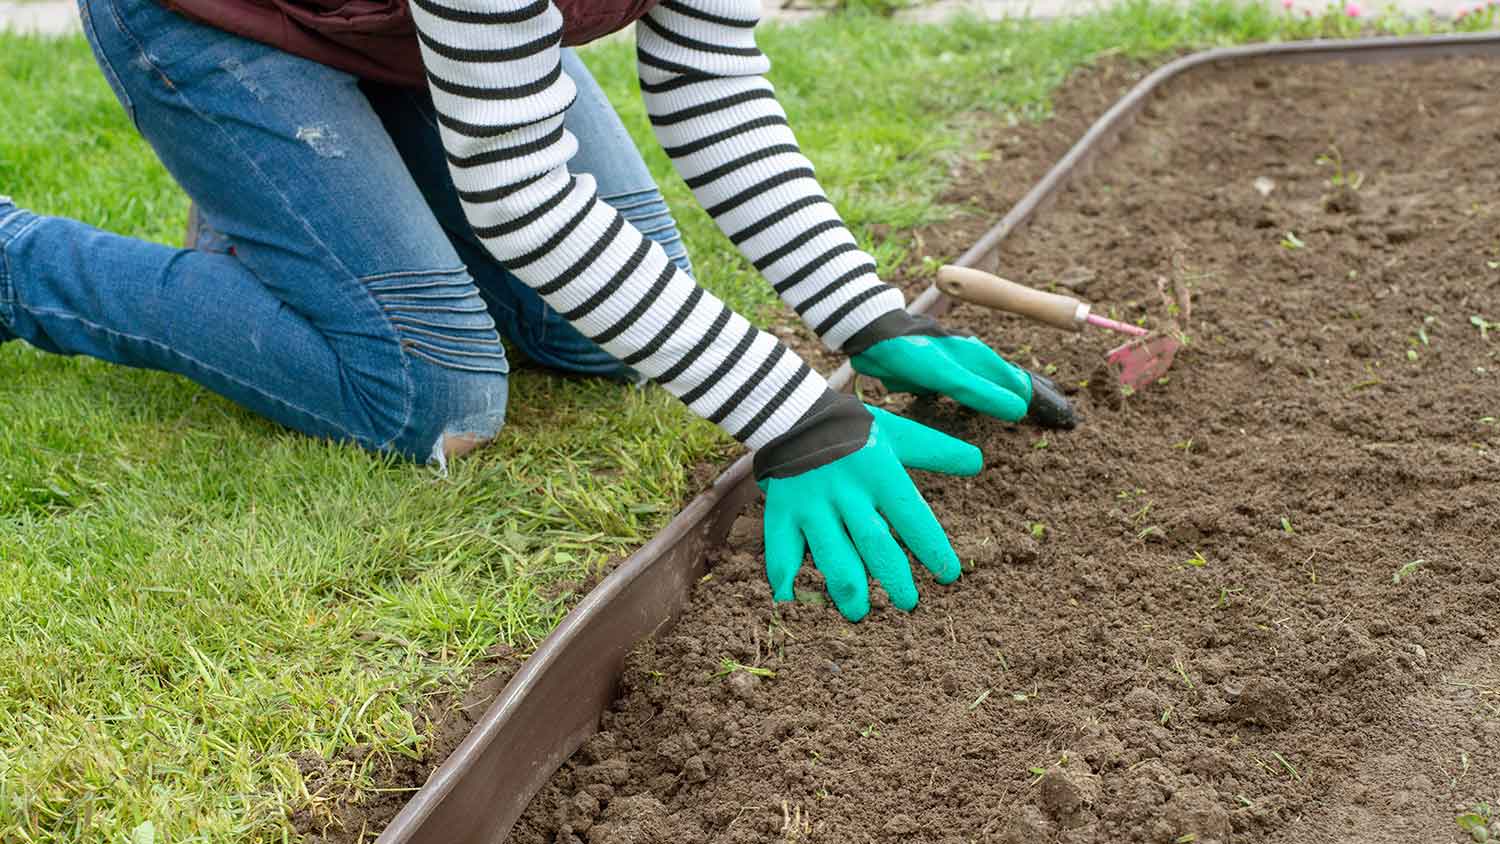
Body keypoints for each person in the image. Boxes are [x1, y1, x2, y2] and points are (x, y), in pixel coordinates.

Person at [0, 0, 1072, 622]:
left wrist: (864, 319)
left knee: (604, 330)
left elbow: (712, 84)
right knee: (427, 390)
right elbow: (518, 189)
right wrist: (796, 418)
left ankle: (305, 208)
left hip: (401, 27)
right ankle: (20, 263)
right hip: (220, 19)